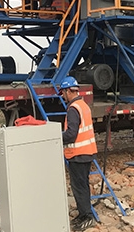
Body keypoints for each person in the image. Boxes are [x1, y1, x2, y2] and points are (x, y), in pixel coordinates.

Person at [58, 76, 97, 231]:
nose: (62, 96)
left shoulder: (73, 109)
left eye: (63, 93)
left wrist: (55, 136)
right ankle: (83, 214)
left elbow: (71, 134)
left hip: (78, 154)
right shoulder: (83, 105)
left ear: (69, 91)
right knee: (83, 185)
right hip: (86, 152)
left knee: (79, 187)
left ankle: (87, 217)